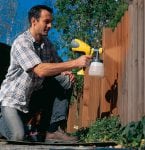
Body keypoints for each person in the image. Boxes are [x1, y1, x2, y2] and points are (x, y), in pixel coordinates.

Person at [0, 5, 91, 142]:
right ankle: (18, 127)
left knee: (64, 79)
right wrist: (75, 62)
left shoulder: (47, 44)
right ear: (34, 21)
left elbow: (58, 65)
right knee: (18, 137)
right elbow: (40, 70)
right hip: (12, 102)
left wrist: (67, 71)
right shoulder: (21, 43)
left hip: (31, 101)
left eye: (51, 22)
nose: (50, 26)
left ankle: (53, 130)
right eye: (46, 21)